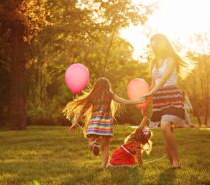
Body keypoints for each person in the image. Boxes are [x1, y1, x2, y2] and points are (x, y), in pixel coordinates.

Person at [63, 77, 145, 168]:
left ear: (96, 86)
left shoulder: (93, 95)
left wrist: (75, 123)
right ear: (108, 86)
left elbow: (82, 110)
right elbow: (123, 101)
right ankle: (103, 167)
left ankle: (94, 145)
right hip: (105, 125)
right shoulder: (109, 94)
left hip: (94, 124)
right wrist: (138, 101)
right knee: (105, 147)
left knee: (91, 142)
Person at [140, 34, 194, 169]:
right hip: (159, 98)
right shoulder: (153, 61)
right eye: (152, 45)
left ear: (163, 44)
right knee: (166, 131)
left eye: (156, 44)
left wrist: (152, 92)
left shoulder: (171, 59)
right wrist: (146, 101)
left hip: (172, 96)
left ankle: (176, 161)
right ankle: (172, 163)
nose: (154, 47)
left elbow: (164, 79)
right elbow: (153, 83)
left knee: (165, 126)